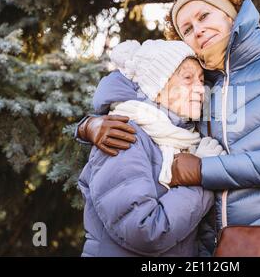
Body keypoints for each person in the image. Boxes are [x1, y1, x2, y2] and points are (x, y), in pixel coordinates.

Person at [76, 0, 260, 256]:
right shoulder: (202, 83)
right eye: (187, 29)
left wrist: (202, 171)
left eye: (204, 16)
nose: (198, 30)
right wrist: (90, 125)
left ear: (229, 11)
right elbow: (138, 87)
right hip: (212, 250)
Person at [78, 39, 225, 256]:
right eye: (187, 79)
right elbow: (144, 230)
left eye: (201, 80)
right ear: (156, 88)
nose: (200, 90)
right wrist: (202, 179)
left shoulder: (186, 140)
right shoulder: (123, 134)